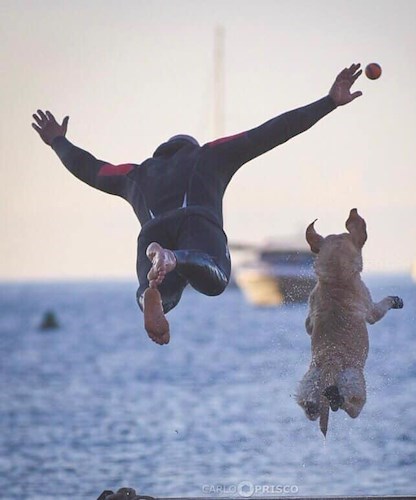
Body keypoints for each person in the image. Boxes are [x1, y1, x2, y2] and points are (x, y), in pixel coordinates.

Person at [32, 63, 363, 345]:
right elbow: (271, 132)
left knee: (157, 290)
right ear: (190, 146)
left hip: (152, 234)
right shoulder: (210, 155)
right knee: (215, 279)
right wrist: (329, 102)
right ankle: (175, 258)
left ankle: (157, 281)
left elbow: (90, 168)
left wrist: (57, 141)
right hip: (197, 224)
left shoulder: (136, 175)